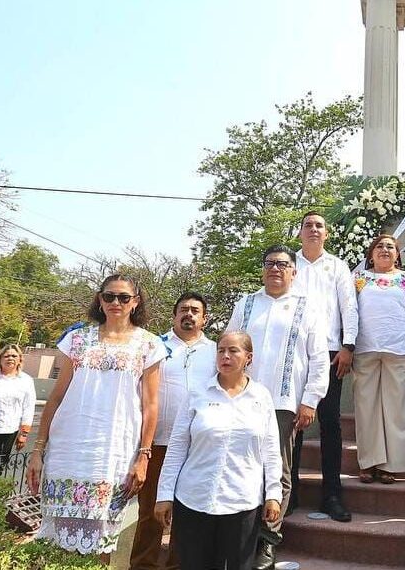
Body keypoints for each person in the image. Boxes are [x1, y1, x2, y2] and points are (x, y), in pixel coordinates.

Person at [26, 274, 165, 559]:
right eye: (109, 296)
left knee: (101, 542)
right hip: (68, 454)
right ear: (99, 300)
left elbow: (151, 406)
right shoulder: (76, 339)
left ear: (135, 302)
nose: (116, 302)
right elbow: (56, 398)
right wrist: (38, 450)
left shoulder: (149, 345)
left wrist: (143, 456)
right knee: (58, 544)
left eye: (124, 297)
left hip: (112, 456)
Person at [226, 244, 329, 570]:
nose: (275, 269)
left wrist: (310, 399)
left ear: (293, 272)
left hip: (283, 404)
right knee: (240, 466)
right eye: (270, 263)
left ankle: (267, 544)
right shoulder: (246, 305)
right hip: (241, 400)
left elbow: (319, 359)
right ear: (263, 269)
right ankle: (238, 537)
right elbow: (228, 348)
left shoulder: (308, 307)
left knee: (277, 472)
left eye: (283, 264)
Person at [154, 331, 282, 570]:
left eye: (233, 351)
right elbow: (177, 448)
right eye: (221, 350)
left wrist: (273, 494)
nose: (225, 356)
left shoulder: (261, 397)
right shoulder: (198, 393)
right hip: (194, 499)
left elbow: (272, 451)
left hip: (242, 502)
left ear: (249, 358)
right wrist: (164, 495)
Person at [129, 292, 216, 570]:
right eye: (183, 309)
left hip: (198, 446)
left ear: (205, 318)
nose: (188, 314)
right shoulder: (155, 346)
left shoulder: (215, 351)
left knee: (187, 514)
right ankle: (143, 565)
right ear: (174, 314)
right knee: (150, 512)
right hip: (158, 442)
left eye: (195, 310)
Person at [290, 211, 359, 522]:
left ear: (327, 233)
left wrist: (348, 345)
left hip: (331, 352)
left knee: (330, 422)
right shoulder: (287, 263)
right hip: (293, 351)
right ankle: (286, 492)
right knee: (292, 422)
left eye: (319, 226)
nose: (314, 230)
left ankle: (331, 494)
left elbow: (349, 306)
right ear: (300, 232)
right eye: (308, 225)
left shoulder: (337, 266)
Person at [352, 234, 405, 484]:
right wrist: (349, 345)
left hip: (399, 351)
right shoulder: (359, 278)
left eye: (390, 247)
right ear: (370, 253)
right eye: (379, 246)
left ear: (398, 254)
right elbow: (350, 312)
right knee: (367, 409)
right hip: (365, 349)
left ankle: (391, 466)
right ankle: (369, 463)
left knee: (397, 410)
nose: (384, 250)